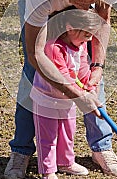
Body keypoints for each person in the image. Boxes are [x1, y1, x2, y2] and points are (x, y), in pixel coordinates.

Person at [4, 0, 117, 179]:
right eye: (79, 1)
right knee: (34, 73)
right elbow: (36, 53)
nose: (83, 8)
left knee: (88, 70)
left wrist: (97, 67)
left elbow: (102, 23)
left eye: (89, 2)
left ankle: (102, 147)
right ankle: (21, 150)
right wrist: (74, 93)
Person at [31, 9, 102, 179]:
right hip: (47, 99)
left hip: (68, 100)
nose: (89, 39)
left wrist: (89, 86)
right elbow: (63, 77)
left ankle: (65, 162)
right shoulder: (53, 47)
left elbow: (83, 68)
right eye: (86, 34)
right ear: (70, 28)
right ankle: (48, 170)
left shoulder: (81, 44)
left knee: (67, 132)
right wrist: (81, 95)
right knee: (48, 137)